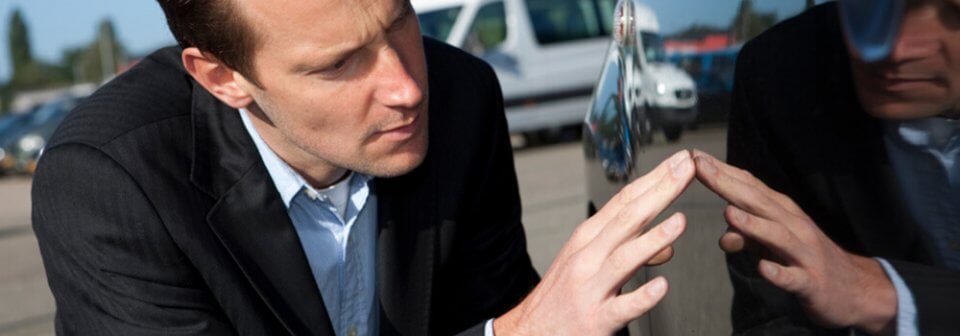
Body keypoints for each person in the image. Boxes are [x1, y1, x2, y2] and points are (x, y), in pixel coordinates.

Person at [32, 0, 695, 334]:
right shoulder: (110, 183)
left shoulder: (461, 96)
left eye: (399, 20)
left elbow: (496, 305)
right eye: (338, 63)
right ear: (223, 77)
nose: (407, 85)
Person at [692, 0, 960, 334]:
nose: (893, 47)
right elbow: (774, 316)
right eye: (872, 6)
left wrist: (875, 293)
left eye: (953, 14)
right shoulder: (781, 78)